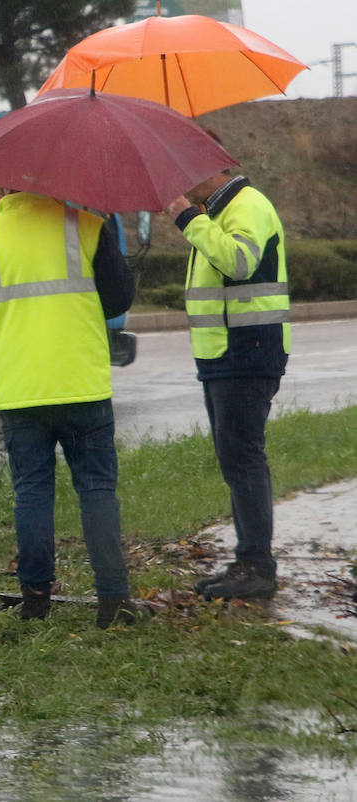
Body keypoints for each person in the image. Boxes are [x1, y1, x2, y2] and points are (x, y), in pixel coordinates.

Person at [0, 189, 138, 629]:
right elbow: (119, 300)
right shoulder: (88, 227)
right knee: (97, 492)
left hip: (21, 394)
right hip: (83, 387)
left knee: (32, 494)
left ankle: (35, 598)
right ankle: (113, 599)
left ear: (2, 189)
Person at [164, 167, 288, 601]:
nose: (181, 181)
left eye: (187, 169)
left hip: (247, 352)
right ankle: (249, 561)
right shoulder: (218, 210)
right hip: (225, 355)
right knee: (235, 459)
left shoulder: (247, 205)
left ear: (215, 167)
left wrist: (188, 219)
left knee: (243, 458)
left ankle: (257, 566)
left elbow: (239, 261)